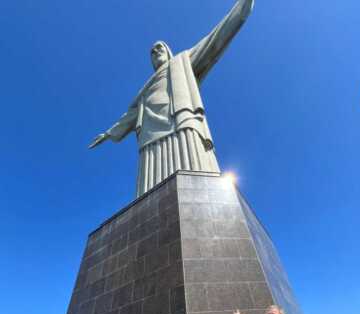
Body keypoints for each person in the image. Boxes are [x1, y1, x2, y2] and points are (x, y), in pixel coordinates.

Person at [89, 0, 255, 197]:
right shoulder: (144, 91)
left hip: (180, 119)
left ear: (167, 51)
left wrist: (242, 8)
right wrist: (108, 134)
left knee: (193, 166)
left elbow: (215, 39)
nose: (155, 52)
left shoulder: (183, 61)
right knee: (150, 186)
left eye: (159, 48)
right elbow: (130, 116)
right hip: (150, 134)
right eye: (152, 52)